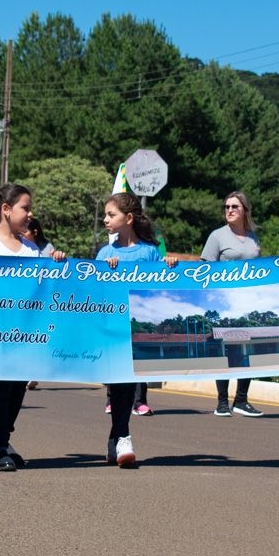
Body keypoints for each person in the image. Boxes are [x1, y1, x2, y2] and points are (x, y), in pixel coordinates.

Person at [0, 183, 66, 471]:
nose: (30, 214)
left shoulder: (32, 250)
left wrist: (55, 263)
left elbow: (42, 288)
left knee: (18, 387)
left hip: (25, 332)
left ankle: (4, 439)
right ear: (6, 210)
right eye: (25, 207)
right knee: (2, 384)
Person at [96, 193, 177, 467]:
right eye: (105, 215)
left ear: (128, 218)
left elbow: (160, 290)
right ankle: (123, 439)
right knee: (120, 385)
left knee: (127, 388)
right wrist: (102, 271)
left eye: (111, 215)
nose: (105, 220)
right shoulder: (105, 253)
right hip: (112, 331)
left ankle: (115, 440)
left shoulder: (150, 252)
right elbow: (95, 293)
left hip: (138, 332)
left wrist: (169, 267)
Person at [200, 191, 263, 417]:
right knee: (226, 351)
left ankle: (242, 401)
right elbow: (204, 270)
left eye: (235, 206)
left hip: (248, 303)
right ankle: (222, 403)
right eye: (226, 206)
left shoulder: (254, 238)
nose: (229, 210)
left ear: (245, 210)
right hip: (224, 302)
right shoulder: (217, 236)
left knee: (246, 351)